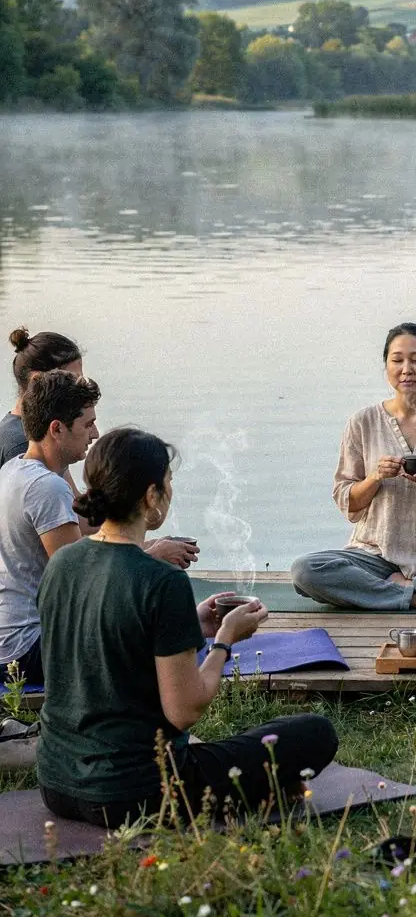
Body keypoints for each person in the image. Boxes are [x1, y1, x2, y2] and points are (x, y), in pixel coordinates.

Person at [37, 427, 338, 827]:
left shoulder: (63, 562)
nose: (170, 492)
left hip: (56, 785)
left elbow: (110, 636)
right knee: (314, 733)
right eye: (168, 483)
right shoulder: (162, 580)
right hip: (140, 792)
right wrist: (225, 641)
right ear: (150, 496)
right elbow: (184, 710)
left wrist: (192, 624)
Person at [291, 322, 416, 611]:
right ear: (386, 365)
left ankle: (403, 590)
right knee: (305, 570)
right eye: (397, 360)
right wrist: (375, 476)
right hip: (375, 556)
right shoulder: (362, 422)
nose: (407, 369)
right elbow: (347, 500)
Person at [0, 326, 198, 571]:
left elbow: (78, 521)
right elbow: (80, 571)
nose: (95, 434)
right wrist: (148, 550)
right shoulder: (38, 472)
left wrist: (137, 532)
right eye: (70, 380)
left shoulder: (27, 461)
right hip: (36, 608)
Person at [0, 371, 101, 684]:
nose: (95, 434)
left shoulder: (12, 469)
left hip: (8, 640)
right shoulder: (47, 487)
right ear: (57, 429)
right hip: (28, 649)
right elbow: (81, 582)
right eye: (87, 424)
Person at [0, 328, 83, 467]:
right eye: (71, 380)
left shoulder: (43, 433)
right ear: (37, 381)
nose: (79, 390)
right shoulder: (25, 446)